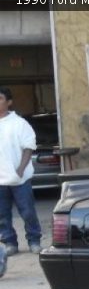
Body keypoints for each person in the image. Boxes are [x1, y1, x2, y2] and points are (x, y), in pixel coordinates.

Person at [0, 87, 42, 255]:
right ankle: (10, 243)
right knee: (2, 215)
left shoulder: (19, 123)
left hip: (20, 179)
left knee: (28, 212)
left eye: (0, 98)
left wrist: (20, 169)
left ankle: (34, 241)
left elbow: (28, 147)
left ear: (9, 102)